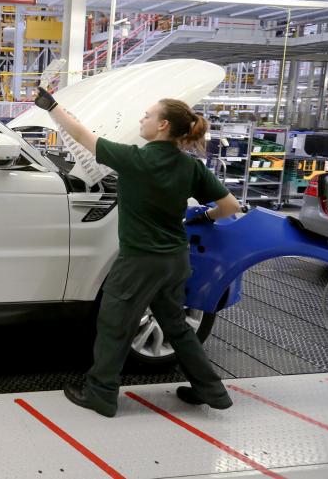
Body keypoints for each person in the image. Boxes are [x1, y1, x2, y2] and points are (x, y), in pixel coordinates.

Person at [33, 87, 241, 418]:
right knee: (177, 326)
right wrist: (203, 214)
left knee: (115, 323)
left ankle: (101, 393)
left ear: (162, 126)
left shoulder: (136, 158)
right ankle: (211, 389)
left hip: (139, 262)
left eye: (148, 115)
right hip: (175, 260)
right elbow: (230, 207)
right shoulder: (191, 167)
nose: (142, 118)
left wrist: (52, 107)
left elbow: (83, 135)